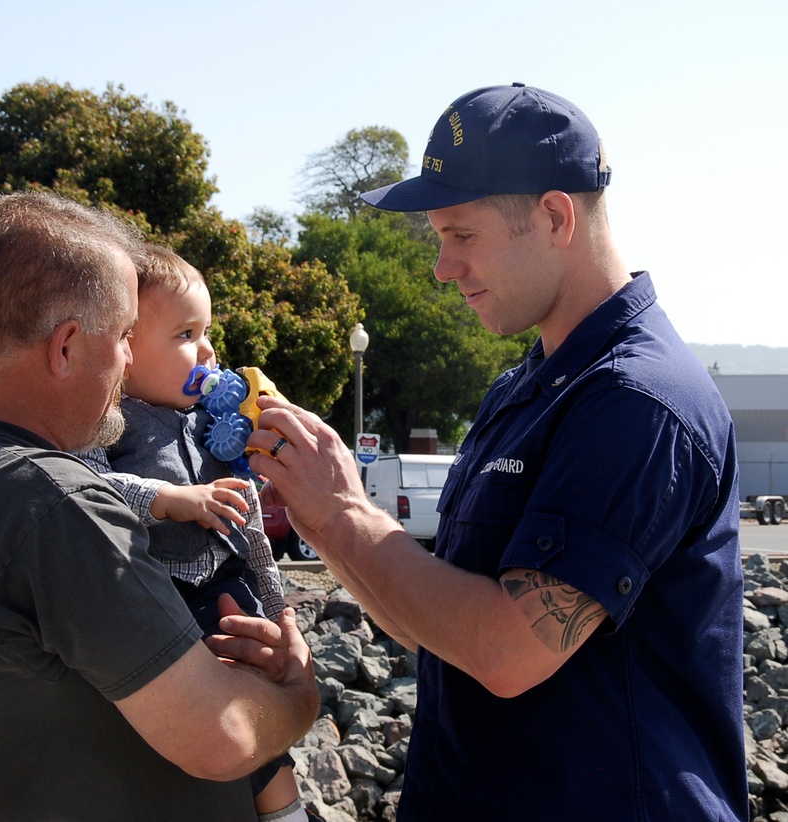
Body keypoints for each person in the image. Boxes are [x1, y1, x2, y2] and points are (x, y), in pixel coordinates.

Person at [246, 84, 747, 820]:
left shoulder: (636, 402)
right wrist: (319, 513)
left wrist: (347, 512)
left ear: (554, 216)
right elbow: (436, 617)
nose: (443, 268)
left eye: (462, 235)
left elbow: (510, 652)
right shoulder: (527, 389)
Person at [0, 192, 319, 821]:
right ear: (67, 347)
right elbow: (224, 736)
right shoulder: (50, 501)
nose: (130, 360)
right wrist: (298, 692)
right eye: (126, 335)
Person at [79, 245, 305, 821]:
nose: (208, 352)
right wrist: (169, 498)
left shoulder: (212, 428)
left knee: (264, 723)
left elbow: (248, 521)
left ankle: (286, 810)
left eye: (208, 333)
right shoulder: (106, 426)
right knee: (212, 718)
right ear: (124, 349)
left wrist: (280, 608)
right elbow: (94, 491)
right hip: (168, 596)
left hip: (229, 581)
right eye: (185, 335)